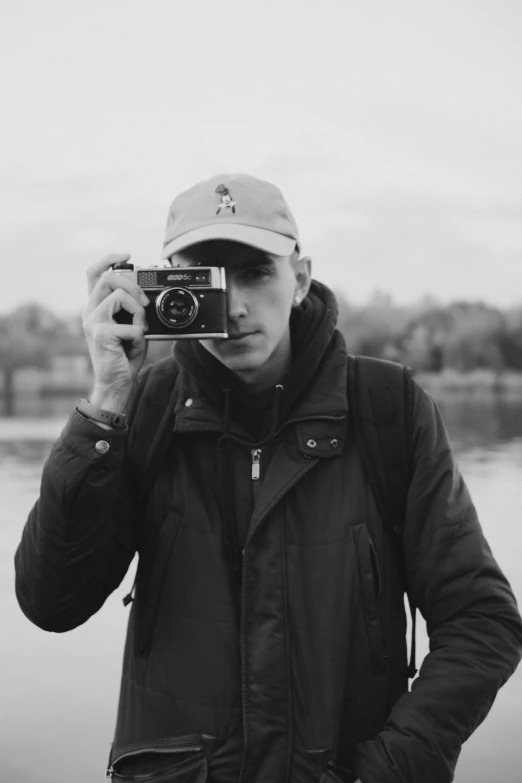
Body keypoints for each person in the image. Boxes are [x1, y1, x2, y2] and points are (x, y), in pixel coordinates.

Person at [14, 173, 522, 783]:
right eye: (205, 278)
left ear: (300, 278)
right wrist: (104, 403)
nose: (233, 306)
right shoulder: (141, 410)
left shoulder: (387, 408)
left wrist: (391, 767)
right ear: (165, 285)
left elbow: (482, 620)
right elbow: (51, 603)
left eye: (255, 272)